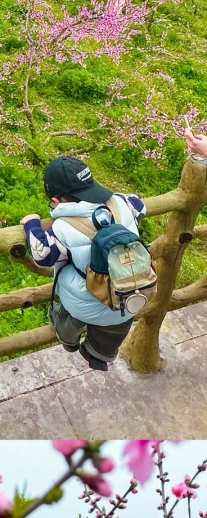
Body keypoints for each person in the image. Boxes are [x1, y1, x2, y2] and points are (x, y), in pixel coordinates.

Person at [23, 134, 207, 372]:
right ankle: (102, 352)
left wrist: (31, 225)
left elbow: (43, 255)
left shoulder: (63, 227)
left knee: (72, 287)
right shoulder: (121, 202)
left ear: (56, 199)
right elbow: (139, 205)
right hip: (132, 299)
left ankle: (67, 336)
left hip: (85, 305)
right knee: (117, 313)